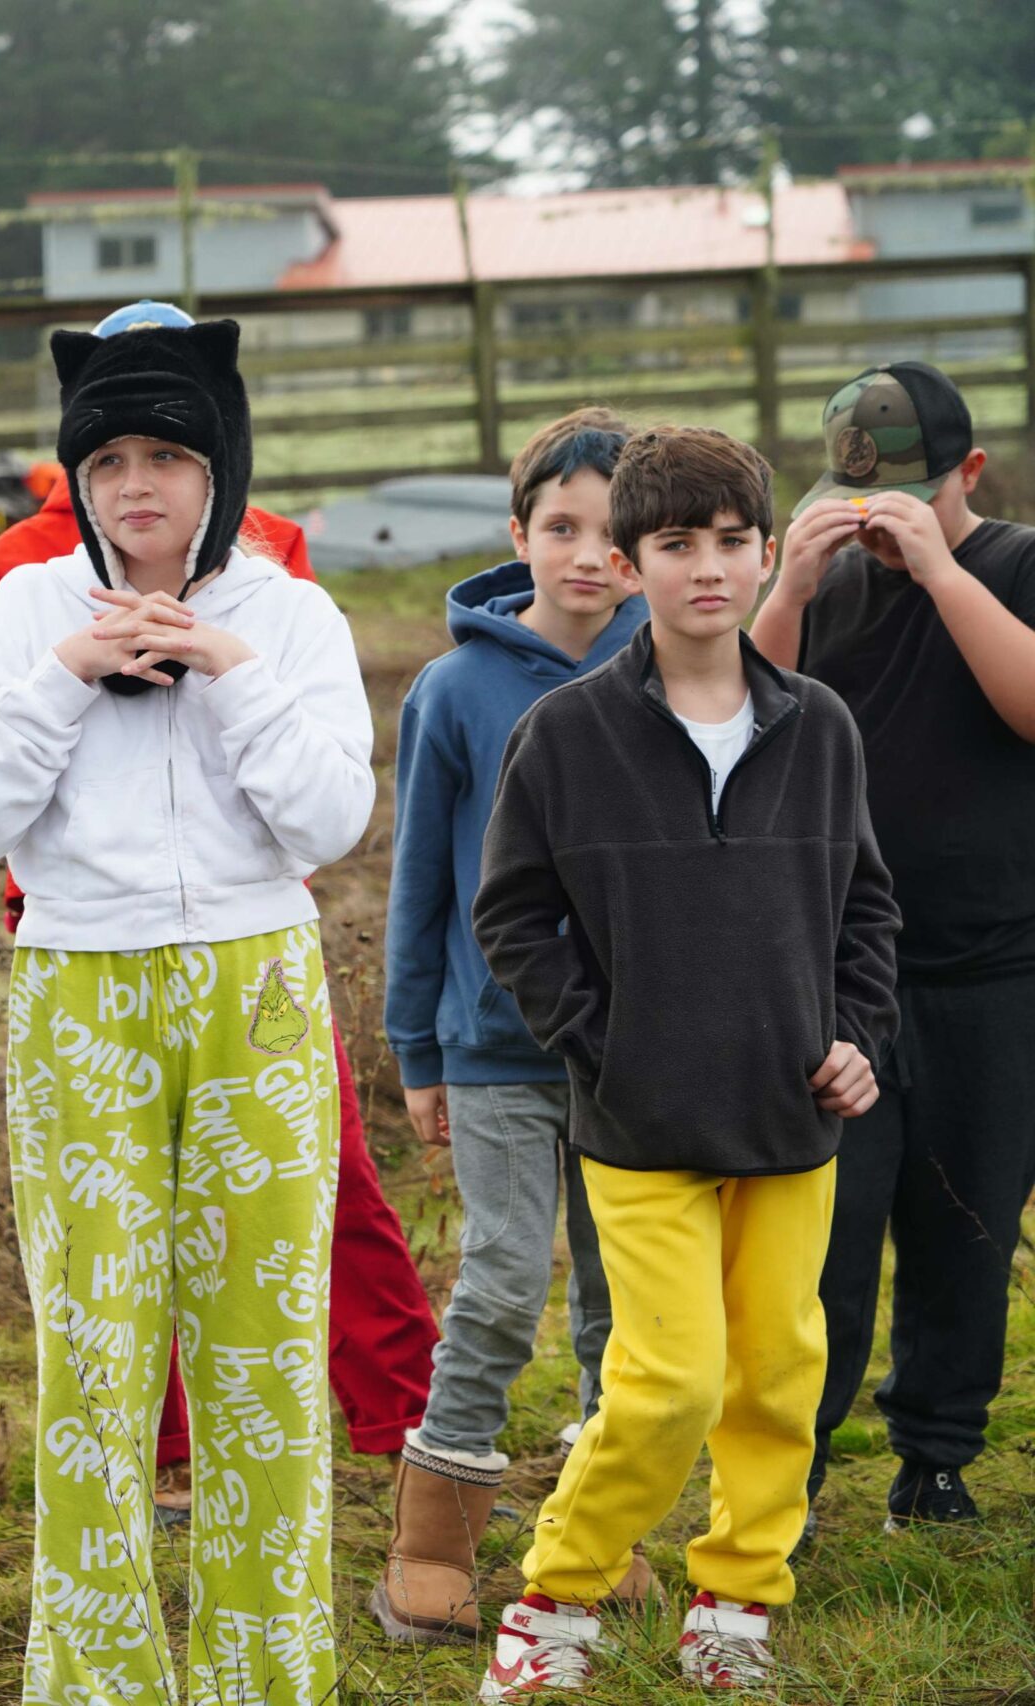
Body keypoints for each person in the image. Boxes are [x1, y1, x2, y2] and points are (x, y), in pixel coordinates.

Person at [0, 318, 372, 1705]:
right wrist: (67, 674)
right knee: (95, 1350)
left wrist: (228, 669)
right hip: (82, 984)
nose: (138, 484)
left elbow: (330, 819)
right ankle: (98, 1682)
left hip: (258, 986)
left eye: (170, 456)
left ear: (219, 465)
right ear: (76, 474)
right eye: (109, 458)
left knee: (264, 1351)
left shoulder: (290, 614)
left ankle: (265, 1675)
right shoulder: (27, 608)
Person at [472, 427, 900, 1696]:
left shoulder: (820, 726)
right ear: (627, 563)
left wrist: (857, 1035)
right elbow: (510, 914)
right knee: (665, 1383)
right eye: (675, 543)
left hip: (790, 1117)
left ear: (767, 553)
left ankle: (734, 1601)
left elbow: (867, 907)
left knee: (777, 1375)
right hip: (640, 1124)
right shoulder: (564, 733)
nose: (706, 567)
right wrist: (605, 1042)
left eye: (729, 541)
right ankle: (556, 1599)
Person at [371, 408, 650, 1645]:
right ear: (518, 532)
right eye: (561, 527)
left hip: (637, 1052)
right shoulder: (455, 689)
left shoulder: (674, 670)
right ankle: (430, 1542)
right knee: (499, 1277)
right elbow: (419, 881)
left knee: (618, 1294)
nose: (588, 555)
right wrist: (417, 1046)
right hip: (493, 1049)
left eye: (614, 533)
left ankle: (597, 1523)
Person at [748, 362, 1035, 1537]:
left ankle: (936, 1452)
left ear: (970, 472)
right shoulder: (827, 588)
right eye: (860, 502)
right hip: (842, 972)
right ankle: (791, 1464)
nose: (881, 525)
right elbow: (743, 720)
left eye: (910, 500)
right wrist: (786, 583)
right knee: (823, 1232)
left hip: (994, 965)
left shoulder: (1013, 564)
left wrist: (941, 570)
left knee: (967, 1219)